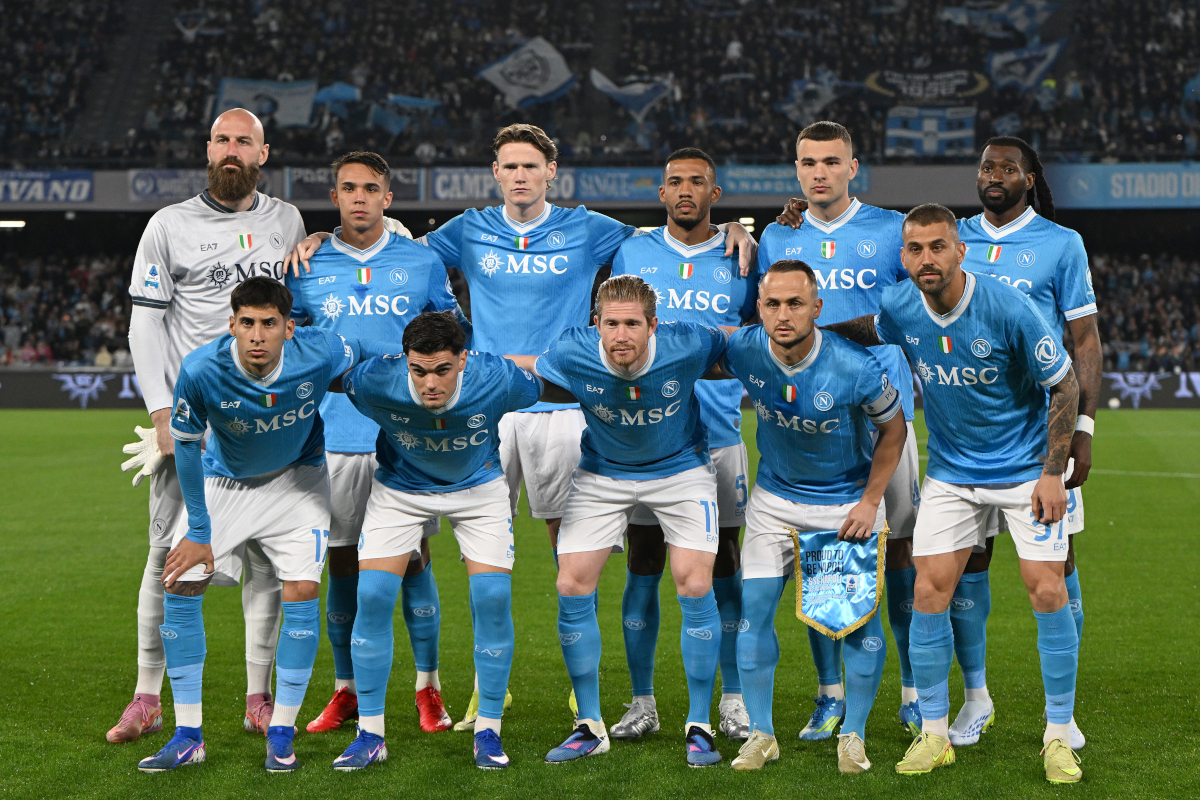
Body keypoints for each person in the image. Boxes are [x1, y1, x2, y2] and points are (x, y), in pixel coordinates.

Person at [287, 123, 757, 727]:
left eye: (530, 167)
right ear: (496, 175)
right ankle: (490, 691)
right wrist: (326, 236)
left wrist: (735, 227)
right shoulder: (468, 230)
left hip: (561, 408)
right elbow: (398, 244)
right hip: (486, 404)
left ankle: (577, 691)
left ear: (550, 173)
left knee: (572, 557)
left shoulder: (588, 229)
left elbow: (660, 237)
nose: (519, 177)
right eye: (509, 167)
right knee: (475, 547)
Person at [826, 204, 1083, 784]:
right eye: (914, 249)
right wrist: (816, 333)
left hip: (1024, 472)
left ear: (960, 250)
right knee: (928, 589)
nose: (926, 259)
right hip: (952, 476)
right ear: (904, 256)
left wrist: (1052, 470)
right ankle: (935, 733)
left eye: (937, 247)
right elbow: (874, 327)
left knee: (1046, 590)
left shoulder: (1007, 307)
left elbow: (1063, 381)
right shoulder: (900, 303)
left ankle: (1059, 733)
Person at [114, 108, 308, 743]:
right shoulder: (169, 225)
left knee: (268, 562)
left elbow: (296, 315)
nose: (232, 150)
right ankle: (147, 695)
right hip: (192, 424)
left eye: (243, 142)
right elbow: (146, 322)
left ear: (263, 153)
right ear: (208, 149)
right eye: (223, 140)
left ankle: (258, 693)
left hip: (267, 421)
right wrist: (163, 413)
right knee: (166, 558)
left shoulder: (286, 221)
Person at [136, 277, 382, 773]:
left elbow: (364, 349)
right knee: (179, 582)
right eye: (246, 322)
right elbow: (185, 444)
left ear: (289, 328)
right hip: (225, 483)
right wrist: (200, 531)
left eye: (269, 323)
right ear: (231, 324)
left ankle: (282, 733)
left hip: (298, 483)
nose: (256, 335)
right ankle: (188, 735)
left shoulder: (319, 353)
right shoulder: (203, 367)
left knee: (300, 592)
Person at [509, 275, 730, 767]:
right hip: (603, 473)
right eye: (612, 324)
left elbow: (735, 341)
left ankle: (698, 724)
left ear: (654, 326)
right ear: (597, 325)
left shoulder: (687, 342)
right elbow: (530, 372)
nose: (622, 335)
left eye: (633, 323)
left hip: (681, 470)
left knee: (694, 585)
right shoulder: (572, 351)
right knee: (571, 585)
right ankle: (589, 724)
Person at [286, 151, 469, 735]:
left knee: (413, 560)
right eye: (347, 188)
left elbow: (454, 338)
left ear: (387, 199)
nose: (359, 197)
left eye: (370, 188)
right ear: (334, 197)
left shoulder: (419, 262)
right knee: (341, 561)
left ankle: (428, 688)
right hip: (331, 436)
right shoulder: (305, 266)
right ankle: (344, 691)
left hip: (405, 438)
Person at [329, 311, 549, 771]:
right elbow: (328, 379)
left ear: (463, 360)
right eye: (419, 370)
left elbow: (543, 387)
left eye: (443, 370)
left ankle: (488, 730)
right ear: (405, 361)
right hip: (401, 489)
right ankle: (370, 734)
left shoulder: (498, 378)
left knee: (492, 596)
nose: (430, 383)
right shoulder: (374, 381)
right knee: (371, 594)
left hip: (479, 485)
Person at [762, 121, 923, 737]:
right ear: (797, 170)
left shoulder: (891, 229)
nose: (819, 172)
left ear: (854, 166)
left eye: (832, 161)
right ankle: (829, 695)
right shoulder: (779, 234)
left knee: (901, 556)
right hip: (808, 419)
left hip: (884, 416)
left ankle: (912, 691)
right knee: (817, 557)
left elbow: (919, 302)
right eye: (808, 162)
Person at [715, 260, 906, 774]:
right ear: (759, 308)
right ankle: (761, 734)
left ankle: (854, 735)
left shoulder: (856, 366)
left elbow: (894, 432)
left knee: (856, 626)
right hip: (773, 503)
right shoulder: (743, 349)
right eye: (773, 303)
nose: (783, 314)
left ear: (817, 309)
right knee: (753, 616)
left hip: (845, 505)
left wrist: (869, 502)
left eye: (795, 303)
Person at [946, 137, 1099, 750]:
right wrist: (787, 219)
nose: (994, 176)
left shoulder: (1061, 245)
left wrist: (1084, 428)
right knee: (969, 567)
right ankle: (976, 698)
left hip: (1042, 437)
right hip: (967, 435)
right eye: (986, 166)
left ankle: (1064, 709)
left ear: (1029, 179)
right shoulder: (952, 236)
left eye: (1008, 168)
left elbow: (1083, 340)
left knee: (1057, 568)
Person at [606, 147, 757, 742]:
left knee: (723, 565)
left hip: (717, 434)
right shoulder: (633, 252)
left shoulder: (743, 255)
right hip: (643, 437)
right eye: (675, 182)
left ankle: (734, 698)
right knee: (643, 565)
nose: (686, 190)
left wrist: (750, 232)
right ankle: (643, 701)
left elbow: (760, 327)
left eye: (698, 181)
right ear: (661, 193)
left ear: (715, 193)